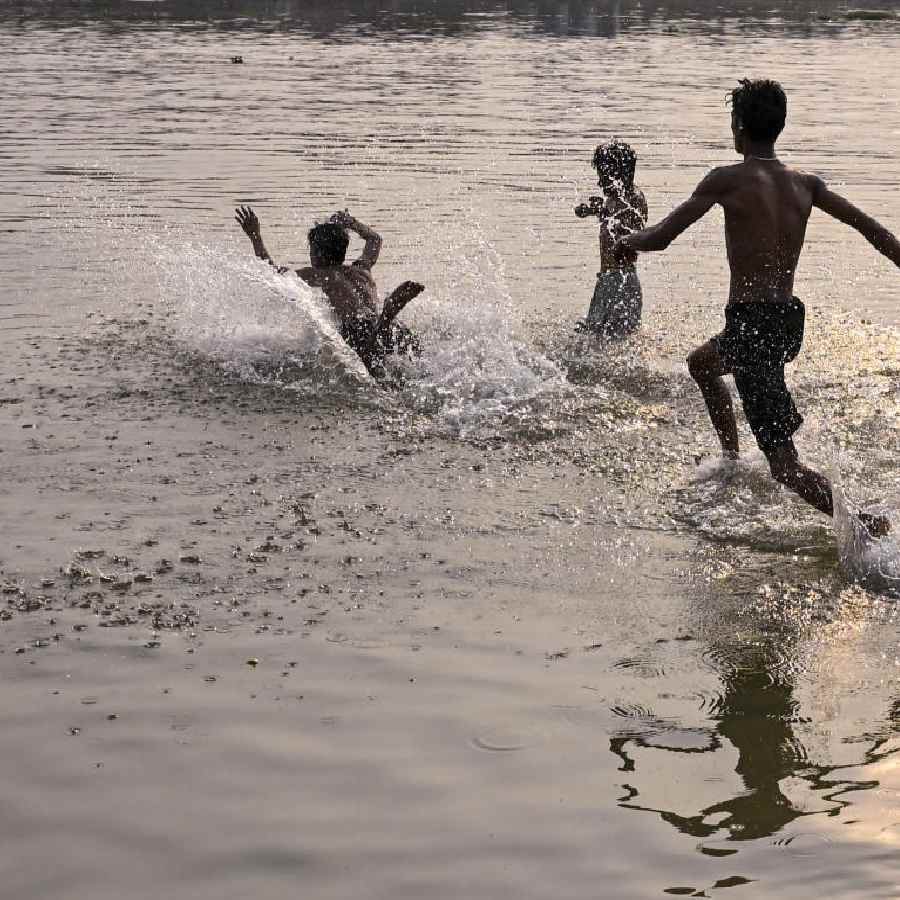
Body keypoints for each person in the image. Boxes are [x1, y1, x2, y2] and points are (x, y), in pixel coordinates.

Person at [616, 79, 900, 532]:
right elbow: (875, 232)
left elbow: (661, 238)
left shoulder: (726, 179)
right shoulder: (806, 184)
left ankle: (863, 522)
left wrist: (626, 238)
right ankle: (730, 459)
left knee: (785, 468)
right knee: (703, 365)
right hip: (785, 319)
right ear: (779, 127)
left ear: (738, 128)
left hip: (753, 324)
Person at [235, 206, 423, 377]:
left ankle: (388, 315)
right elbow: (375, 239)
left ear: (316, 254)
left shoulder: (322, 275)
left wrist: (255, 236)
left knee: (372, 368)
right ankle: (388, 316)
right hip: (384, 325)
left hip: (358, 330)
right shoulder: (362, 270)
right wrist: (352, 223)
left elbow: (274, 275)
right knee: (409, 363)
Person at [574, 141, 648, 337]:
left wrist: (607, 213)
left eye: (603, 177)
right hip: (609, 280)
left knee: (600, 339)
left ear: (618, 174)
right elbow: (614, 222)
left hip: (621, 282)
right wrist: (596, 211)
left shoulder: (633, 198)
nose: (600, 183)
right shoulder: (617, 199)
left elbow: (633, 232)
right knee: (594, 337)